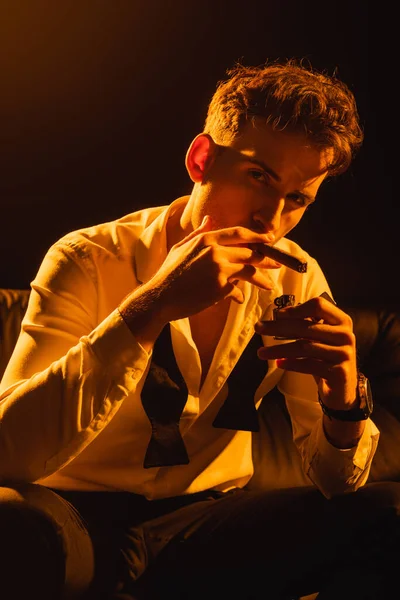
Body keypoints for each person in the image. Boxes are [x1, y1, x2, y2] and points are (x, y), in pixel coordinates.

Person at [0, 57, 398, 600]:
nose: (270, 218)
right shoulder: (87, 258)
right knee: (16, 528)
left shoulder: (297, 278)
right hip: (75, 516)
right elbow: (9, 452)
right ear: (201, 158)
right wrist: (150, 309)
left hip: (209, 525)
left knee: (387, 514)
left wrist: (345, 401)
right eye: (259, 177)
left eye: (298, 200)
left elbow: (335, 482)